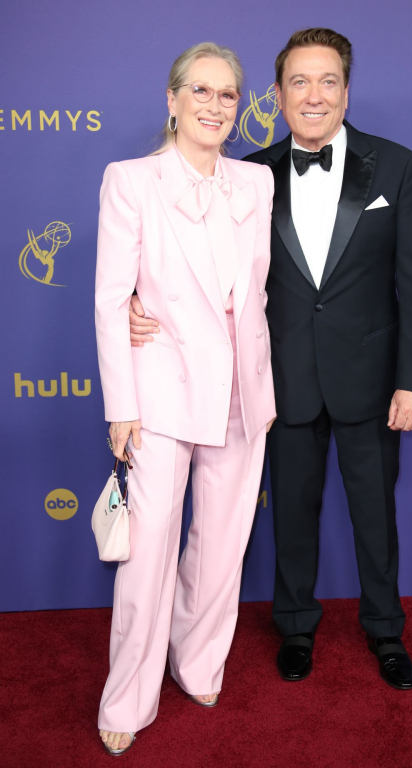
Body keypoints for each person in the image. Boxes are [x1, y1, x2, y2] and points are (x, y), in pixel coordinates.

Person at [129, 28, 412, 693]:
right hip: (279, 380)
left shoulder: (398, 166)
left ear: (347, 90)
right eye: (299, 81)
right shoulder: (248, 176)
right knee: (291, 513)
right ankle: (295, 626)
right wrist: (134, 300)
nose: (314, 95)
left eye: (328, 81)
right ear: (276, 95)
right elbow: (192, 267)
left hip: (371, 378)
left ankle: (386, 631)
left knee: (376, 517)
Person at [95, 42, 275, 756]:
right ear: (172, 100)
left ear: (238, 106)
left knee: (222, 546)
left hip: (241, 387)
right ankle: (127, 698)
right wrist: (121, 404)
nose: (213, 105)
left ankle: (198, 661)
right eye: (199, 91)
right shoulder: (131, 180)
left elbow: (255, 293)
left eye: (227, 94)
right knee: (148, 555)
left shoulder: (254, 184)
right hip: (160, 392)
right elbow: (112, 300)